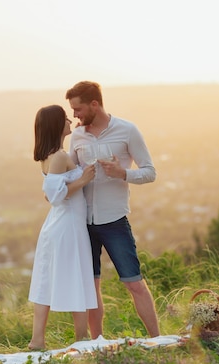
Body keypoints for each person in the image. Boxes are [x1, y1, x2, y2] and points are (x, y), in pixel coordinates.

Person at [66, 81, 161, 339]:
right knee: (91, 287)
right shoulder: (77, 136)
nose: (75, 115)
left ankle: (157, 339)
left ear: (94, 104)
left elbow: (150, 172)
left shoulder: (127, 130)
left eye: (78, 109)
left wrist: (123, 174)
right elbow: (69, 175)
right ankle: (96, 343)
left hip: (114, 220)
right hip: (82, 222)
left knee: (134, 282)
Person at [28, 104, 98, 350]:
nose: (70, 121)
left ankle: (38, 339)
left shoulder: (52, 154)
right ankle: (81, 339)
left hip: (60, 224)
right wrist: (84, 179)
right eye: (66, 118)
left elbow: (49, 195)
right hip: (67, 225)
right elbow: (56, 196)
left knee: (46, 280)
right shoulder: (58, 156)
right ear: (57, 125)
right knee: (75, 277)